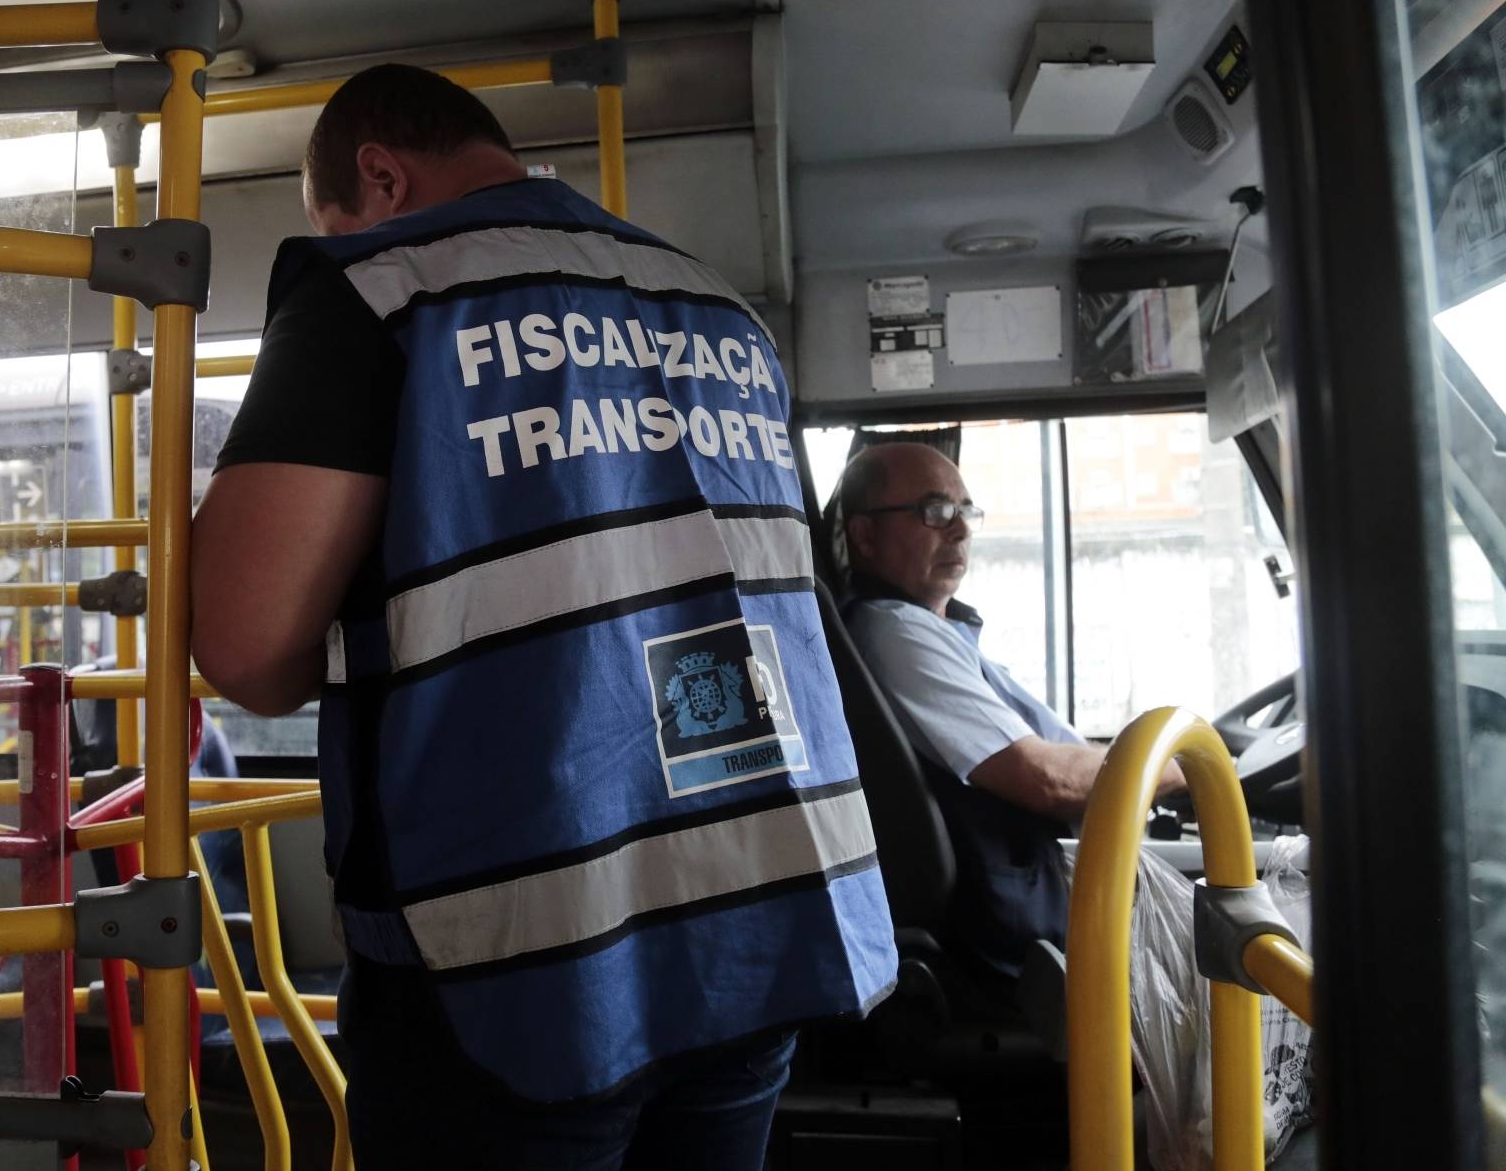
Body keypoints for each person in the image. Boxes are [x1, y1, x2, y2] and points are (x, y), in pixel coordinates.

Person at [189, 63, 896, 1169]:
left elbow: (245, 649)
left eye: (339, 216)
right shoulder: (720, 309)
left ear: (380, 177)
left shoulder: (380, 287)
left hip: (522, 955)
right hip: (763, 913)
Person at [837, 441, 1185, 979]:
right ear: (864, 535)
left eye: (965, 511)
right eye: (935, 511)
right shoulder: (896, 632)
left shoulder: (937, 630)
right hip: (1017, 939)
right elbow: (1045, 778)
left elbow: (1059, 758)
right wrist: (1178, 767)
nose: (960, 531)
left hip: (1044, 901)